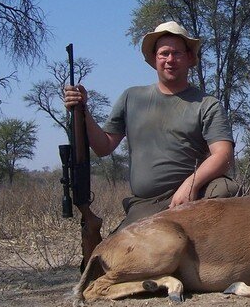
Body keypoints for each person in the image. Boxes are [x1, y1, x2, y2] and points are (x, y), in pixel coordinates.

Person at [64, 21, 238, 244]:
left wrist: (190, 186)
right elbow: (103, 146)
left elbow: (223, 155)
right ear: (155, 59)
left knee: (226, 189)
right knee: (114, 259)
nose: (170, 60)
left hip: (191, 198)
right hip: (146, 205)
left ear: (189, 58)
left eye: (177, 53)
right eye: (164, 53)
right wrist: (82, 110)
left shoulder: (207, 104)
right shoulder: (131, 97)